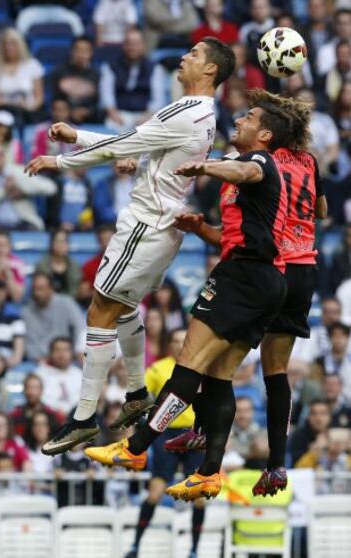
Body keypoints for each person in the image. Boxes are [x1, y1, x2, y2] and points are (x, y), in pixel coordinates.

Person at [84, 90, 301, 501]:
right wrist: (201, 228)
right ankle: (208, 472)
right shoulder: (243, 168)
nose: (239, 120)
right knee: (218, 376)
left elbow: (245, 173)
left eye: (249, 117)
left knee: (188, 366)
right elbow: (237, 235)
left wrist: (205, 165)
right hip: (264, 280)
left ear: (266, 135)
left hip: (244, 279)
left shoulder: (257, 162)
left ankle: (134, 448)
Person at [24, 37, 236, 455]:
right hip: (164, 223)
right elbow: (150, 151)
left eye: (194, 54)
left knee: (100, 309)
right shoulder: (205, 115)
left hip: (146, 224)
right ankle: (138, 392)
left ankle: (84, 417)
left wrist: (62, 158)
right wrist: (83, 136)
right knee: (122, 308)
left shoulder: (186, 110)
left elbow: (125, 143)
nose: (183, 57)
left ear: (211, 70)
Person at [156, 91, 327, 496]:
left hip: (268, 267)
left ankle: (200, 431)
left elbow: (244, 184)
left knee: (213, 360)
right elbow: (320, 210)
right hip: (305, 268)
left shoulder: (259, 161)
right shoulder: (308, 161)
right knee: (275, 371)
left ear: (269, 132)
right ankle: (276, 466)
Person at [125, 329, 205, 558]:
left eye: (185, 340)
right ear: (170, 344)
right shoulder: (158, 369)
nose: (181, 344)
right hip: (165, 434)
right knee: (155, 492)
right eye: (177, 340)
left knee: (199, 496)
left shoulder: (202, 368)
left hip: (195, 434)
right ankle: (135, 545)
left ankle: (194, 549)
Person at [100, 29, 166, 132]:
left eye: (136, 44)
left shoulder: (155, 68)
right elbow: (106, 94)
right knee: (110, 127)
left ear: (143, 46)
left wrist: (148, 115)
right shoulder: (110, 67)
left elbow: (158, 98)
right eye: (129, 44)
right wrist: (113, 113)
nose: (133, 48)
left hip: (145, 114)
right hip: (119, 114)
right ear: (124, 45)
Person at [0, 142, 56, 232]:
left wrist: (22, 190)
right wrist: (4, 190)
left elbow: (51, 188)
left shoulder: (19, 172)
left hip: (24, 223)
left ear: (4, 155)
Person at [23, 272, 85, 363]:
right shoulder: (27, 311)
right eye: (34, 289)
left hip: (67, 359)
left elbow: (81, 330)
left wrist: (75, 353)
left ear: (51, 289)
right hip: (39, 361)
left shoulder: (66, 303)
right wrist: (40, 360)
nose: (37, 293)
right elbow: (29, 342)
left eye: (41, 289)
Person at [0, 27, 44, 123]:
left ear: (20, 45)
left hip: (29, 112)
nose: (8, 47)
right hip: (2, 113)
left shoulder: (32, 64)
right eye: (5, 44)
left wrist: (29, 107)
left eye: (12, 44)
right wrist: (11, 104)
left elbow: (39, 98)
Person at [50, 36, 102, 124]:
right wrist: (69, 112)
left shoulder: (97, 74)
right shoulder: (59, 72)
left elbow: (99, 102)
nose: (81, 54)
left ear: (91, 53)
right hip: (64, 117)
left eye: (85, 51)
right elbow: (55, 98)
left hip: (90, 117)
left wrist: (87, 111)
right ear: (72, 51)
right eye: (78, 50)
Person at [35, 337, 82, 415]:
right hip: (49, 417)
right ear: (50, 353)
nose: (61, 354)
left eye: (65, 350)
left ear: (71, 353)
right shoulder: (40, 374)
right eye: (57, 350)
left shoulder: (80, 374)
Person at [9, 373, 64, 438]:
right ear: (24, 390)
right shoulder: (15, 414)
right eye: (28, 388)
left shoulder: (52, 414)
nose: (31, 392)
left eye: (35, 388)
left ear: (41, 390)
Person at [77, 224, 115, 308]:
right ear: (98, 243)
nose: (106, 244)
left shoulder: (127, 264)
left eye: (109, 240)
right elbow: (82, 294)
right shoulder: (90, 266)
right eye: (103, 240)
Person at [35, 229, 82, 298]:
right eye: (58, 241)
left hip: (70, 303)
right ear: (51, 244)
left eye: (64, 241)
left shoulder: (74, 266)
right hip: (46, 303)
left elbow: (75, 291)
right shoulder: (42, 265)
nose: (61, 245)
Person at [0, 278, 25, 367]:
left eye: (0, 290)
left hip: (4, 361)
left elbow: (18, 350)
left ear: (5, 293)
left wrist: (9, 364)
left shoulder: (14, 317)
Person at [287, 399, 331, 466]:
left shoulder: (336, 434)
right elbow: (296, 466)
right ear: (308, 417)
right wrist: (312, 452)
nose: (318, 418)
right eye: (314, 414)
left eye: (323, 413)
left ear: (330, 416)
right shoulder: (299, 436)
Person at [0, 229, 26, 303]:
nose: (0, 249)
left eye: (3, 246)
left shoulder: (18, 264)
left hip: (8, 302)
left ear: (10, 247)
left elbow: (17, 297)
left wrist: (8, 274)